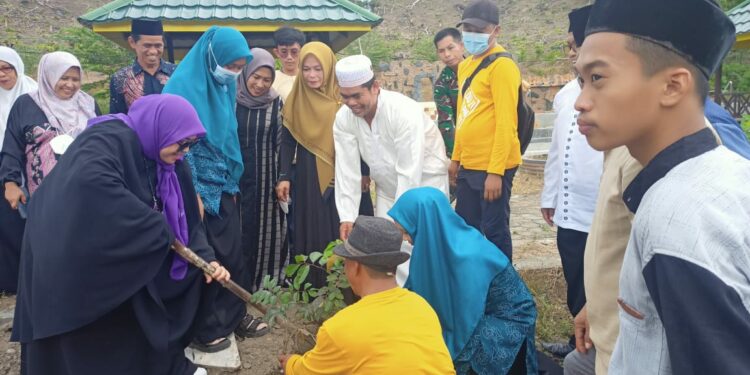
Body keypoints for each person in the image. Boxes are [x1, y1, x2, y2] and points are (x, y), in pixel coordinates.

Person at [576, 0, 750, 373]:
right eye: (581, 81)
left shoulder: (675, 211)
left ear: (672, 86)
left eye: (598, 78)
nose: (580, 102)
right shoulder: (728, 172)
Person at [11, 94, 229, 375]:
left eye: (190, 144)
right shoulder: (107, 139)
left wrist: (206, 259)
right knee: (84, 340)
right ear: (161, 128)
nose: (184, 151)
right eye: (182, 143)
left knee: (133, 325)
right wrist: (156, 227)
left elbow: (189, 223)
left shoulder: (170, 161)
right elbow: (90, 184)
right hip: (72, 259)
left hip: (116, 260)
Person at [163, 26, 266, 350]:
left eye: (239, 67)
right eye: (230, 65)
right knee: (205, 257)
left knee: (233, 253)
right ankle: (207, 327)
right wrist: (193, 193)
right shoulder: (180, 91)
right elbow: (178, 148)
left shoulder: (222, 88)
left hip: (224, 185)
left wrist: (230, 184)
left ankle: (233, 316)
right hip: (193, 187)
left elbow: (226, 138)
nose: (234, 73)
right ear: (211, 57)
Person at [278, 215, 455, 375]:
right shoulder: (421, 307)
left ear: (355, 266)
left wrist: (290, 363)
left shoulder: (341, 328)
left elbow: (305, 372)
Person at [389, 187, 537, 375]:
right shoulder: (437, 245)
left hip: (508, 320)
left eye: (406, 231)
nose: (406, 240)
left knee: (459, 355)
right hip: (476, 314)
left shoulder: (468, 254)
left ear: (427, 224)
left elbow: (463, 316)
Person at [333, 55, 450, 282]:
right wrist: (347, 216)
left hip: (425, 186)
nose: (351, 103)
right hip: (387, 189)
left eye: (357, 95)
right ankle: (401, 304)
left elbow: (410, 169)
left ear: (375, 87)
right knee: (389, 251)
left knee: (427, 247)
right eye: (345, 97)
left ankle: (433, 303)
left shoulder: (402, 111)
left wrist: (402, 217)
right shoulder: (343, 118)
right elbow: (346, 169)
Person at [276, 42, 373, 288]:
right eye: (306, 69)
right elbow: (287, 141)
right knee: (314, 228)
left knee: (349, 223)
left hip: (347, 168)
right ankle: (316, 288)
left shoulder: (345, 99)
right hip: (309, 172)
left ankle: (354, 286)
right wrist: (284, 175)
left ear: (329, 69)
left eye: (318, 69)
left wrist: (363, 172)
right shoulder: (296, 99)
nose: (311, 75)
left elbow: (361, 136)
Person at [539, 5, 602, 361]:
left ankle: (596, 349)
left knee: (600, 282)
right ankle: (578, 341)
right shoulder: (565, 95)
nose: (570, 53)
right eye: (567, 47)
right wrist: (550, 195)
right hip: (568, 208)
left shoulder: (612, 94)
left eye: (574, 45)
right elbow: (557, 151)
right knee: (574, 277)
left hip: (600, 207)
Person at [450, 0, 523, 260]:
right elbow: (463, 113)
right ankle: (475, 279)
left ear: (496, 31)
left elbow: (506, 123)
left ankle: (504, 287)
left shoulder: (502, 67)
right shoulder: (466, 65)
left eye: (480, 29)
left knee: (494, 230)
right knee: (466, 227)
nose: (473, 34)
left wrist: (496, 172)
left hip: (493, 167)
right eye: (468, 28)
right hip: (469, 165)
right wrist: (456, 158)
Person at [1, 51, 99, 198]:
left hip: (88, 188)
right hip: (43, 194)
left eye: (75, 79)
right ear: (49, 76)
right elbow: (12, 146)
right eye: (64, 78)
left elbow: (103, 142)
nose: (70, 85)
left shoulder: (88, 105)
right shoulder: (26, 104)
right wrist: (10, 183)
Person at [236, 47, 289, 291]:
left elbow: (282, 141)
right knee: (236, 229)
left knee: (265, 230)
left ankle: (264, 283)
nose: (260, 84)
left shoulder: (276, 101)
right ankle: (237, 282)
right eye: (255, 77)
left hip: (266, 177)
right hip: (233, 177)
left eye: (266, 79)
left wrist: (282, 177)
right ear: (245, 73)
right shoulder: (229, 97)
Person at [0, 46, 37, 294]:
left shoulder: (33, 94)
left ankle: (31, 278)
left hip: (27, 165)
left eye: (6, 68)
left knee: (28, 222)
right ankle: (10, 283)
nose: (2, 74)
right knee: (6, 225)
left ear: (17, 68)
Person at [109, 19, 177, 114]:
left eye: (158, 46)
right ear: (132, 42)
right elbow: (116, 120)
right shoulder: (120, 79)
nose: (153, 51)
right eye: (147, 46)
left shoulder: (177, 74)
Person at [433, 27, 465, 157]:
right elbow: (446, 123)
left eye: (450, 48)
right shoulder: (442, 84)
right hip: (465, 149)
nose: (447, 54)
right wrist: (455, 158)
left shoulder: (482, 70)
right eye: (441, 51)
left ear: (461, 46)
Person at [272, 26, 305, 102]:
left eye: (294, 52)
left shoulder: (309, 77)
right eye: (284, 52)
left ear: (302, 51)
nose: (289, 57)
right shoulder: (271, 79)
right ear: (277, 52)